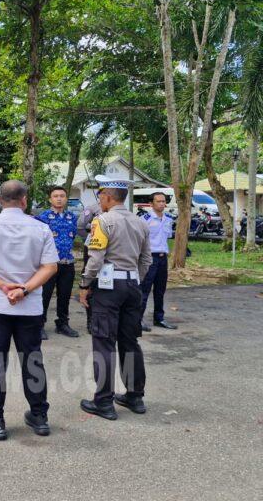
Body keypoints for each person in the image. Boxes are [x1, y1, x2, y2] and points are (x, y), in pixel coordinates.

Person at [0, 180, 58, 440]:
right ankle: (39, 416)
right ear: (24, 200)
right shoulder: (40, 228)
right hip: (29, 306)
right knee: (32, 359)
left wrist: (3, 286)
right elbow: (50, 267)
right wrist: (25, 289)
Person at [78, 176, 152, 421]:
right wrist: (133, 280)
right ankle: (135, 396)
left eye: (100, 196)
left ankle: (104, 402)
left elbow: (96, 259)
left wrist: (85, 284)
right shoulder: (140, 222)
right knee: (130, 342)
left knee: (104, 343)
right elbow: (146, 260)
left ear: (108, 197)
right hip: (133, 285)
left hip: (109, 287)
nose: (100, 200)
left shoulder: (103, 220)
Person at [35, 186, 79, 339]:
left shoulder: (72, 217)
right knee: (44, 295)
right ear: (50, 199)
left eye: (62, 196)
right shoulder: (43, 217)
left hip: (67, 263)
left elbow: (73, 237)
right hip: (48, 264)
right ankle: (39, 325)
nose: (59, 198)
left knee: (64, 296)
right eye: (55, 196)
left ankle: (62, 324)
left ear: (66, 199)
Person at [139, 192, 177, 331]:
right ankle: (138, 320)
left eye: (163, 201)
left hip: (163, 259)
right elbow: (140, 240)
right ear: (151, 203)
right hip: (150, 258)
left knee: (160, 290)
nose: (162, 203)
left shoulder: (168, 219)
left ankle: (159, 318)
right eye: (158, 201)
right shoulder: (145, 219)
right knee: (144, 289)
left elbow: (167, 237)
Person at [78, 200, 102, 333]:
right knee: (90, 283)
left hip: (110, 250)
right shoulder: (92, 208)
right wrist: (89, 237)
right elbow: (80, 226)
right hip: (93, 246)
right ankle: (91, 321)